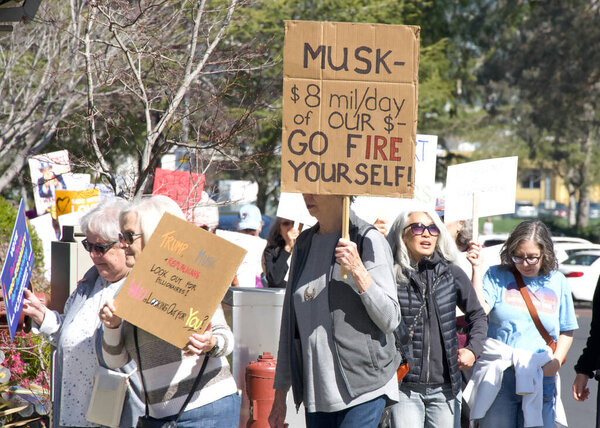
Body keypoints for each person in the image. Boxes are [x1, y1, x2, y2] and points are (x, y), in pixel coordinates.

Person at [99, 195, 240, 427]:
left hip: (207, 411)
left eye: (129, 236)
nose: (122, 244)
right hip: (159, 418)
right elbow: (115, 361)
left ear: (154, 234)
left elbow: (227, 339)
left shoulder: (188, 282)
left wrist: (210, 342)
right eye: (121, 236)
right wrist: (112, 326)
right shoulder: (127, 291)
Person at [269, 194, 401, 428]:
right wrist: (280, 395)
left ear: (341, 190)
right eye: (305, 188)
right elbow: (289, 324)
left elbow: (390, 318)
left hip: (364, 389)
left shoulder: (367, 238)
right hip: (317, 396)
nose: (307, 195)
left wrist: (358, 270)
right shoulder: (303, 244)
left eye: (316, 188)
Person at [21, 199, 143, 427]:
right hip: (71, 411)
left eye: (101, 247)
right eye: (89, 246)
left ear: (124, 243)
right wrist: (42, 315)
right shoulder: (90, 282)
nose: (94, 255)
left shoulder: (138, 289)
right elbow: (70, 333)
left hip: (112, 415)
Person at [468, 220, 578, 427]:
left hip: (541, 371)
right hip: (501, 374)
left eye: (531, 258)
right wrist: (476, 269)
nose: (524, 263)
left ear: (544, 254)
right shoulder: (496, 275)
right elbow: (479, 310)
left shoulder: (558, 281)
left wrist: (555, 363)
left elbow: (567, 329)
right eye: (518, 256)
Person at [386, 207, 488, 428]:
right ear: (402, 235)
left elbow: (477, 315)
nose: (426, 233)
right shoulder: (390, 274)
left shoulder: (452, 273)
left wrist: (473, 349)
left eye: (432, 228)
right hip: (403, 387)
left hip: (446, 389)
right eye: (418, 227)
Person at [262, 217, 299, 288]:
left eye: (294, 224)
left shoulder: (308, 250)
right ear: (279, 228)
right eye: (286, 223)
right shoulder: (271, 250)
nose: (290, 228)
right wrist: (288, 247)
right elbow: (274, 280)